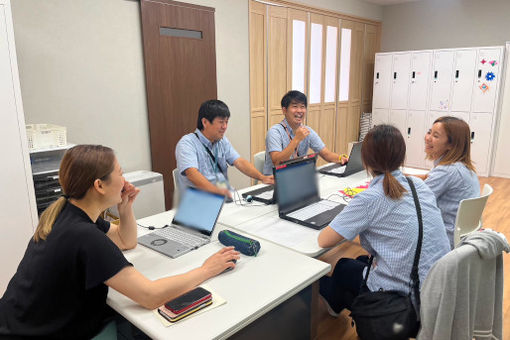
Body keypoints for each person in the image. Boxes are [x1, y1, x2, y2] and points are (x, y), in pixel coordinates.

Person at [0, 145, 239, 339]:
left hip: (15, 323)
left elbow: (126, 241)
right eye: (120, 172)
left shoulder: (68, 212)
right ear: (99, 185)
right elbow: (150, 296)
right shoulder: (85, 236)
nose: (125, 180)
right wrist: (208, 269)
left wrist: (125, 209)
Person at [317, 125, 450, 317]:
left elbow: (324, 240)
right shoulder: (418, 185)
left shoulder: (370, 199)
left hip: (404, 301)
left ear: (365, 160)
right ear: (401, 156)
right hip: (436, 291)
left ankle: (351, 308)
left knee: (343, 267)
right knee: (361, 261)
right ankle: (339, 303)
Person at [176, 99, 273, 199]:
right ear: (205, 122)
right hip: (198, 201)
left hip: (222, 198)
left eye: (226, 122)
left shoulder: (222, 141)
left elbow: (239, 161)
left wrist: (262, 177)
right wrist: (216, 192)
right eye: (221, 122)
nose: (225, 127)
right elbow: (192, 174)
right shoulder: (187, 143)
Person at [417, 116, 480, 249]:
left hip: (444, 240)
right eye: (429, 132)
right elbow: (429, 178)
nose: (428, 138)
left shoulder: (446, 172)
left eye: (436, 136)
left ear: (451, 144)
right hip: (462, 237)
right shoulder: (462, 167)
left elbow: (414, 200)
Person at [263, 90, 348, 175]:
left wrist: (341, 158)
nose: (299, 110)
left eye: (302, 107)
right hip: (275, 180)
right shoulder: (275, 132)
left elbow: (326, 154)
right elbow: (277, 162)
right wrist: (296, 139)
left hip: (298, 177)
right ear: (284, 110)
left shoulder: (307, 131)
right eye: (295, 106)